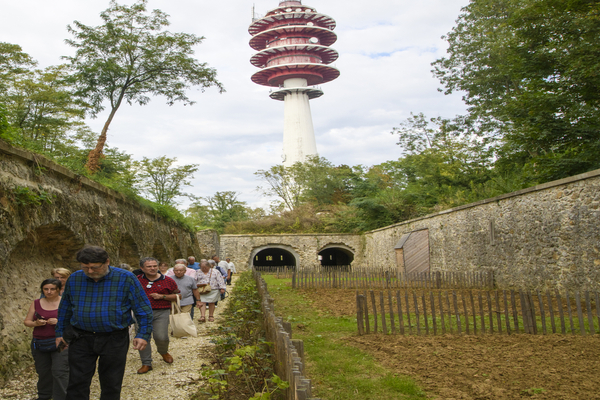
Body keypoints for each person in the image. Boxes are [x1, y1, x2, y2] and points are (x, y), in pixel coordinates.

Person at [55, 245, 152, 400]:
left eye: (94, 267)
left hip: (114, 338)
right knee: (77, 382)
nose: (90, 271)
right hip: (81, 337)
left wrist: (143, 334)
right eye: (85, 267)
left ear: (107, 262)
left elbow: (143, 308)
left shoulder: (126, 278)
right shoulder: (75, 278)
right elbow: (65, 308)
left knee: (111, 382)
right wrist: (60, 333)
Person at [24, 278, 69, 400]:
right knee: (43, 372)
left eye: (52, 289)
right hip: (40, 342)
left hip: (60, 342)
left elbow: (74, 321)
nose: (49, 292)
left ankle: (61, 397)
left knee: (59, 372)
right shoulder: (36, 303)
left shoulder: (65, 302)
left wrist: (59, 322)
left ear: (59, 290)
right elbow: (27, 321)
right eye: (46, 289)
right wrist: (36, 323)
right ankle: (44, 396)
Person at [136, 257, 180, 374]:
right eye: (149, 266)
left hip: (161, 312)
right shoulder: (136, 280)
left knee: (161, 337)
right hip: (141, 313)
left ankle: (163, 351)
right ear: (142, 268)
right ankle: (146, 363)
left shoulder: (168, 280)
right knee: (143, 338)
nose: (153, 268)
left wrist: (162, 296)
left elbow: (178, 296)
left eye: (155, 266)